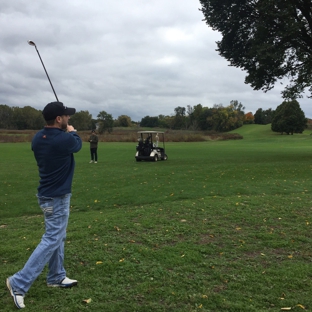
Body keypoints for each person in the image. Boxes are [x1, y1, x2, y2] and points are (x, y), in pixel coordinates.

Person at [6, 101, 82, 309]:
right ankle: (18, 282)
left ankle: (56, 276)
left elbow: (63, 141)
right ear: (59, 119)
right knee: (52, 238)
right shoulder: (65, 139)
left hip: (47, 195)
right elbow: (77, 144)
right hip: (57, 197)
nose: (69, 119)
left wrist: (67, 132)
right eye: (66, 116)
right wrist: (73, 131)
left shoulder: (38, 138)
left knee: (58, 235)